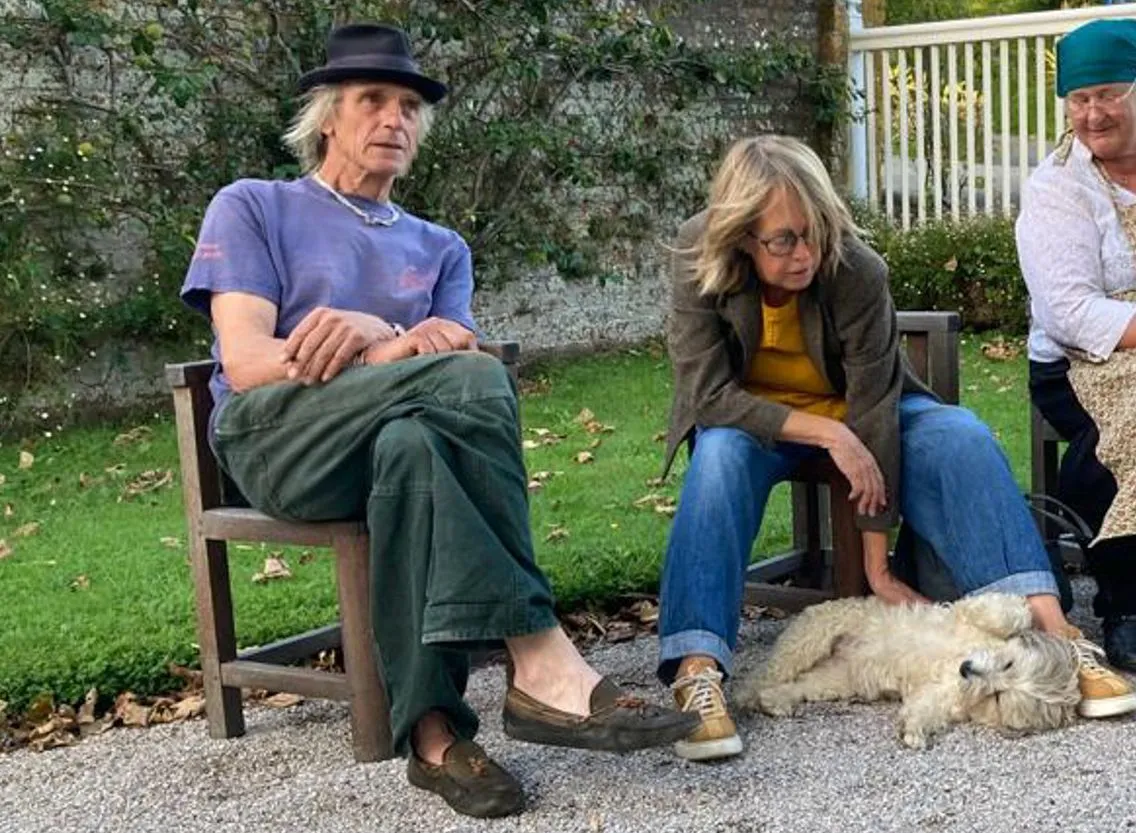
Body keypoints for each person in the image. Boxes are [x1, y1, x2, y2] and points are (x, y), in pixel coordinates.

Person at [178, 22, 697, 819]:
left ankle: (434, 738)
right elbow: (247, 362)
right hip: (280, 437)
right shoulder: (254, 206)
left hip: (386, 436)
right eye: (374, 101)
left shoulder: (440, 246)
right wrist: (375, 339)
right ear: (328, 118)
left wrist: (382, 340)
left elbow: (447, 358)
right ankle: (538, 654)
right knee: (468, 383)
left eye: (410, 106)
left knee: (416, 444)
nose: (395, 118)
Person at [657, 134, 1136, 763]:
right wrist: (828, 433)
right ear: (744, 234)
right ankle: (699, 669)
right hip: (753, 422)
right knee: (718, 458)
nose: (806, 253)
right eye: (785, 240)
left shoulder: (854, 267)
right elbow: (709, 394)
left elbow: (874, 409)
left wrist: (879, 568)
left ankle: (1058, 635)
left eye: (817, 233)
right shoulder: (699, 253)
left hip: (864, 410)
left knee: (959, 434)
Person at [1018, 18, 1136, 674]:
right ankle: (1126, 599)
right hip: (1076, 362)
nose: (1093, 113)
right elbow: (1066, 310)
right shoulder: (1057, 186)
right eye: (1080, 98)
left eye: (1110, 94)